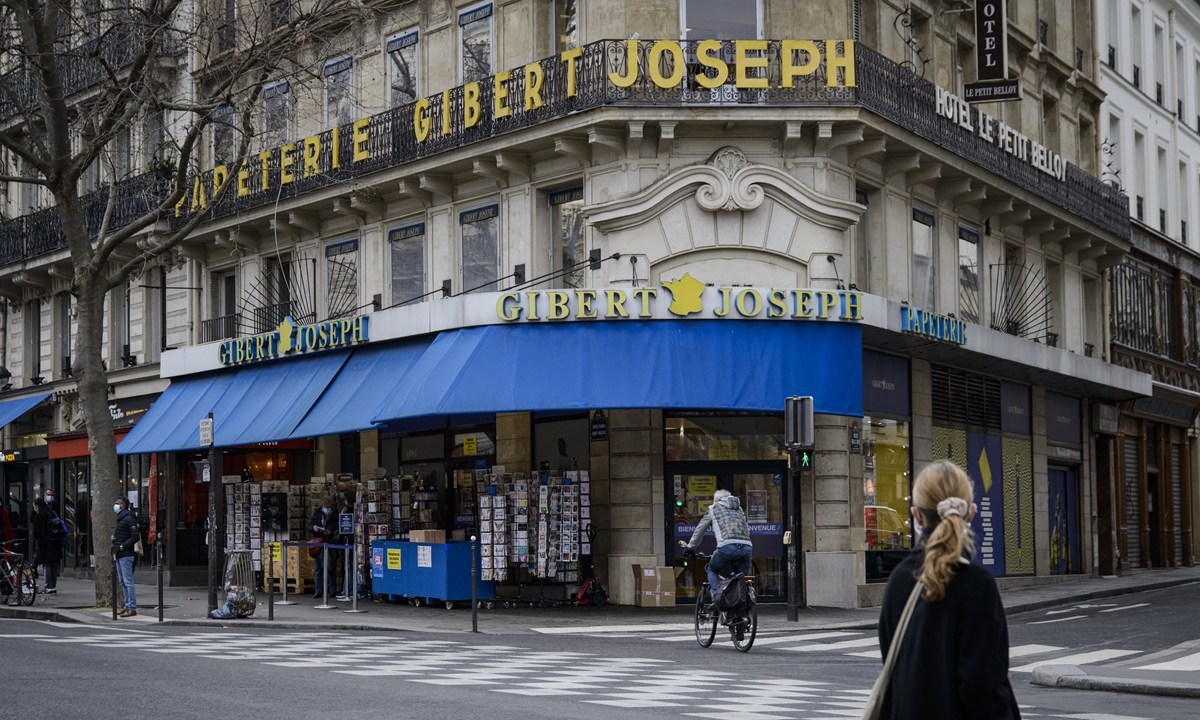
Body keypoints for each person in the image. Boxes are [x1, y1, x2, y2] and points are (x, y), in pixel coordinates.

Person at [877, 461, 1020, 720]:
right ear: (971, 514)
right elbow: (983, 688)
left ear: (916, 516)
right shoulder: (977, 584)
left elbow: (894, 667)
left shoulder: (898, 579)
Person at [683, 489, 753, 593]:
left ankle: (717, 596)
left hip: (727, 547)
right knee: (740, 580)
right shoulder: (739, 509)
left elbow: (700, 529)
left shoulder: (713, 508)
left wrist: (691, 547)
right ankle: (742, 605)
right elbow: (746, 529)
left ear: (716, 500)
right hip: (747, 547)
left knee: (712, 570)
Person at [112, 497, 141, 617]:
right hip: (120, 553)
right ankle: (127, 605)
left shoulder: (128, 518)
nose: (115, 505)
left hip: (126, 554)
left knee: (128, 582)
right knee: (123, 582)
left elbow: (135, 536)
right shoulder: (121, 518)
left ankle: (131, 607)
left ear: (123, 506)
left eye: (117, 503)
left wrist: (123, 546)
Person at [31, 498, 63, 594]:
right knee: (54, 566)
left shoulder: (38, 517)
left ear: (38, 506)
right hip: (55, 542)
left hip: (44, 544)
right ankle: (53, 586)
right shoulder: (51, 513)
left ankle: (48, 586)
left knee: (47, 566)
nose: (34, 508)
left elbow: (35, 533)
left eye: (34, 506)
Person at [310, 497, 337, 598]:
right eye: (325, 507)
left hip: (330, 543)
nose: (326, 509)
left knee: (330, 568)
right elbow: (309, 526)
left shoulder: (336, 515)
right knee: (318, 568)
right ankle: (319, 590)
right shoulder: (317, 514)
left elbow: (338, 530)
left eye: (328, 507)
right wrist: (313, 528)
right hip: (319, 543)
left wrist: (331, 532)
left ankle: (332, 590)